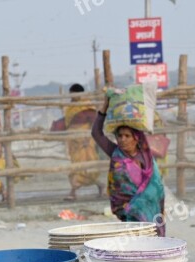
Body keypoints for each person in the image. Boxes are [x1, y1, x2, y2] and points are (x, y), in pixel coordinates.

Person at [91, 95, 165, 236]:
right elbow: (96, 133)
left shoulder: (147, 158)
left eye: (127, 136)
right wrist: (104, 108)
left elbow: (157, 187)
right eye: (120, 136)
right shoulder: (115, 153)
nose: (122, 140)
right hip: (127, 213)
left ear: (136, 138)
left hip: (150, 212)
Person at [58, 83, 104, 201]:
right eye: (71, 95)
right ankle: (99, 185)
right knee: (76, 165)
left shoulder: (87, 105)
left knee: (82, 166)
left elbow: (93, 123)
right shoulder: (70, 107)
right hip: (73, 141)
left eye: (74, 94)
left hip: (86, 141)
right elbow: (68, 123)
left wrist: (87, 138)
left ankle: (73, 192)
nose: (73, 97)